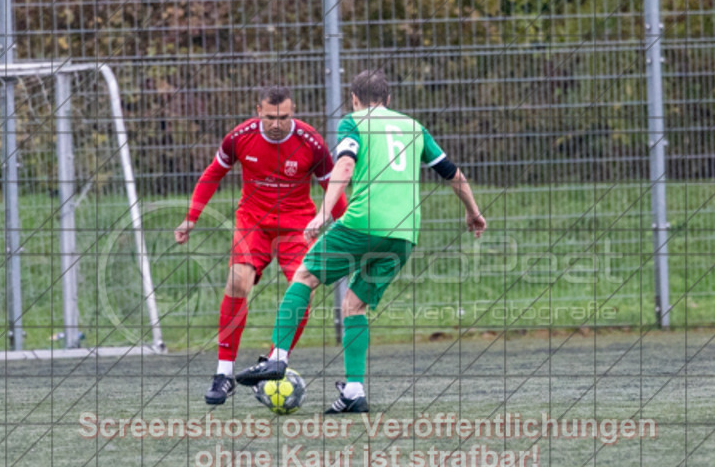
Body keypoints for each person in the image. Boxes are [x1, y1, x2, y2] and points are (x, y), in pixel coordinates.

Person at [236, 69, 487, 413]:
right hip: (403, 235)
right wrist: (473, 212)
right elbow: (452, 172)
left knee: (305, 277)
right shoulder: (413, 127)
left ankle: (277, 357)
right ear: (388, 100)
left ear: (354, 99)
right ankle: (354, 391)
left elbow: (344, 167)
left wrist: (324, 212)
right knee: (355, 305)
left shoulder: (353, 122)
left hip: (361, 225)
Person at [175, 85, 347, 405]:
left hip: (297, 225)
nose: (277, 124)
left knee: (303, 286)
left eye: (284, 117)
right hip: (252, 220)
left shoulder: (311, 142)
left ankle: (273, 361)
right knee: (238, 281)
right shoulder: (239, 137)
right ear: (259, 112)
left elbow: (332, 188)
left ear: (293, 113)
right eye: (270, 117)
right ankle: (224, 374)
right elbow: (213, 174)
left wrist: (352, 230)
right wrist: (191, 218)